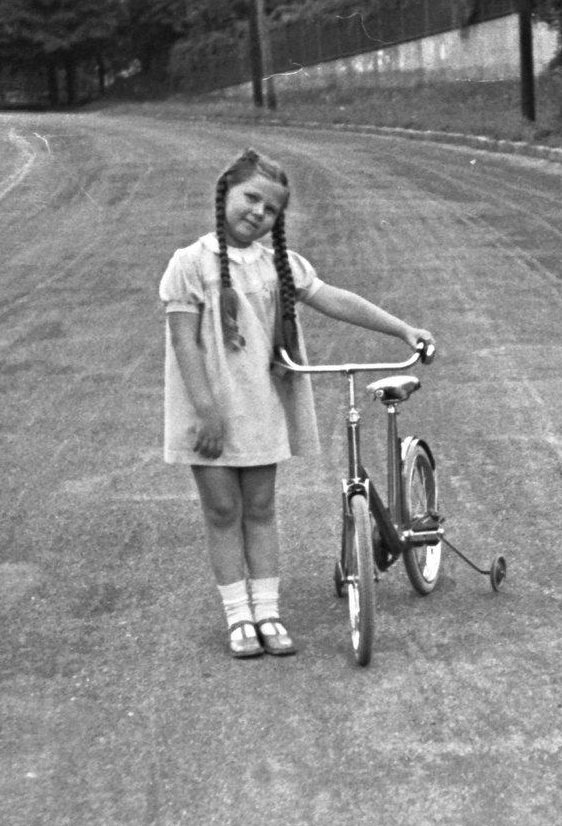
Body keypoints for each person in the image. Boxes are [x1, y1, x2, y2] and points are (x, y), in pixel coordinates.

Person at [160, 149, 433, 658]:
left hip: (260, 403)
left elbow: (333, 298)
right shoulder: (189, 263)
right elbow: (185, 344)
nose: (259, 213)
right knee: (222, 510)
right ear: (225, 193)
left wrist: (401, 328)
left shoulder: (278, 265)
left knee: (260, 508)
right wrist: (207, 411)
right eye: (251, 198)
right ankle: (238, 618)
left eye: (272, 208)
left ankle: (268, 612)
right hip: (208, 409)